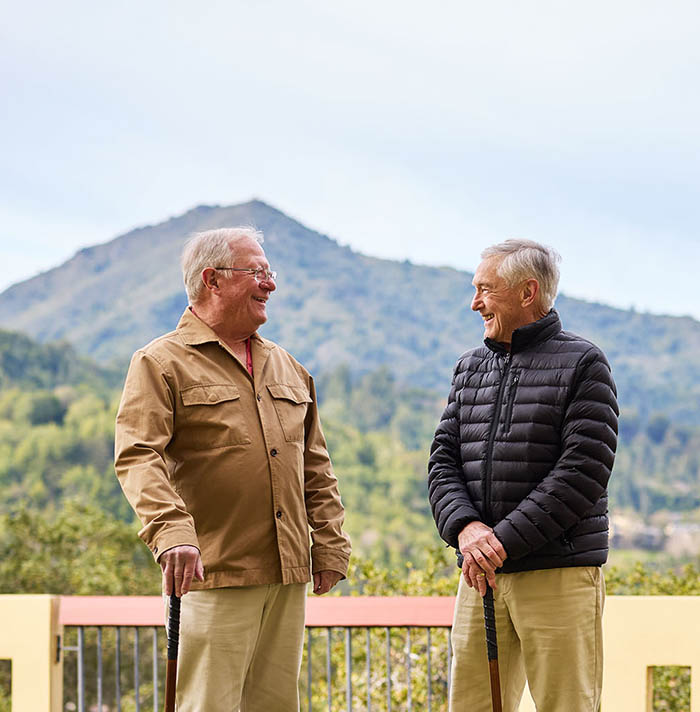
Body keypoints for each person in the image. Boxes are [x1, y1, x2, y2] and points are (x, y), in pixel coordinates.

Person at [115, 227, 351, 711]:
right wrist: (172, 532)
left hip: (287, 576)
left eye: (271, 272)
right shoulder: (160, 363)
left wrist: (329, 543)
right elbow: (139, 455)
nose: (270, 284)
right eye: (258, 272)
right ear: (213, 279)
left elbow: (316, 467)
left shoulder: (289, 368)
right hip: (212, 574)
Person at [428, 239, 618, 712]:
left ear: (528, 292)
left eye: (485, 290)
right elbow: (442, 461)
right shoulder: (469, 368)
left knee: (566, 705)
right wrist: (466, 530)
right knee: (472, 705)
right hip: (480, 576)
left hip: (558, 574)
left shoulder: (584, 363)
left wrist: (500, 543)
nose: (474, 302)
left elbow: (583, 473)